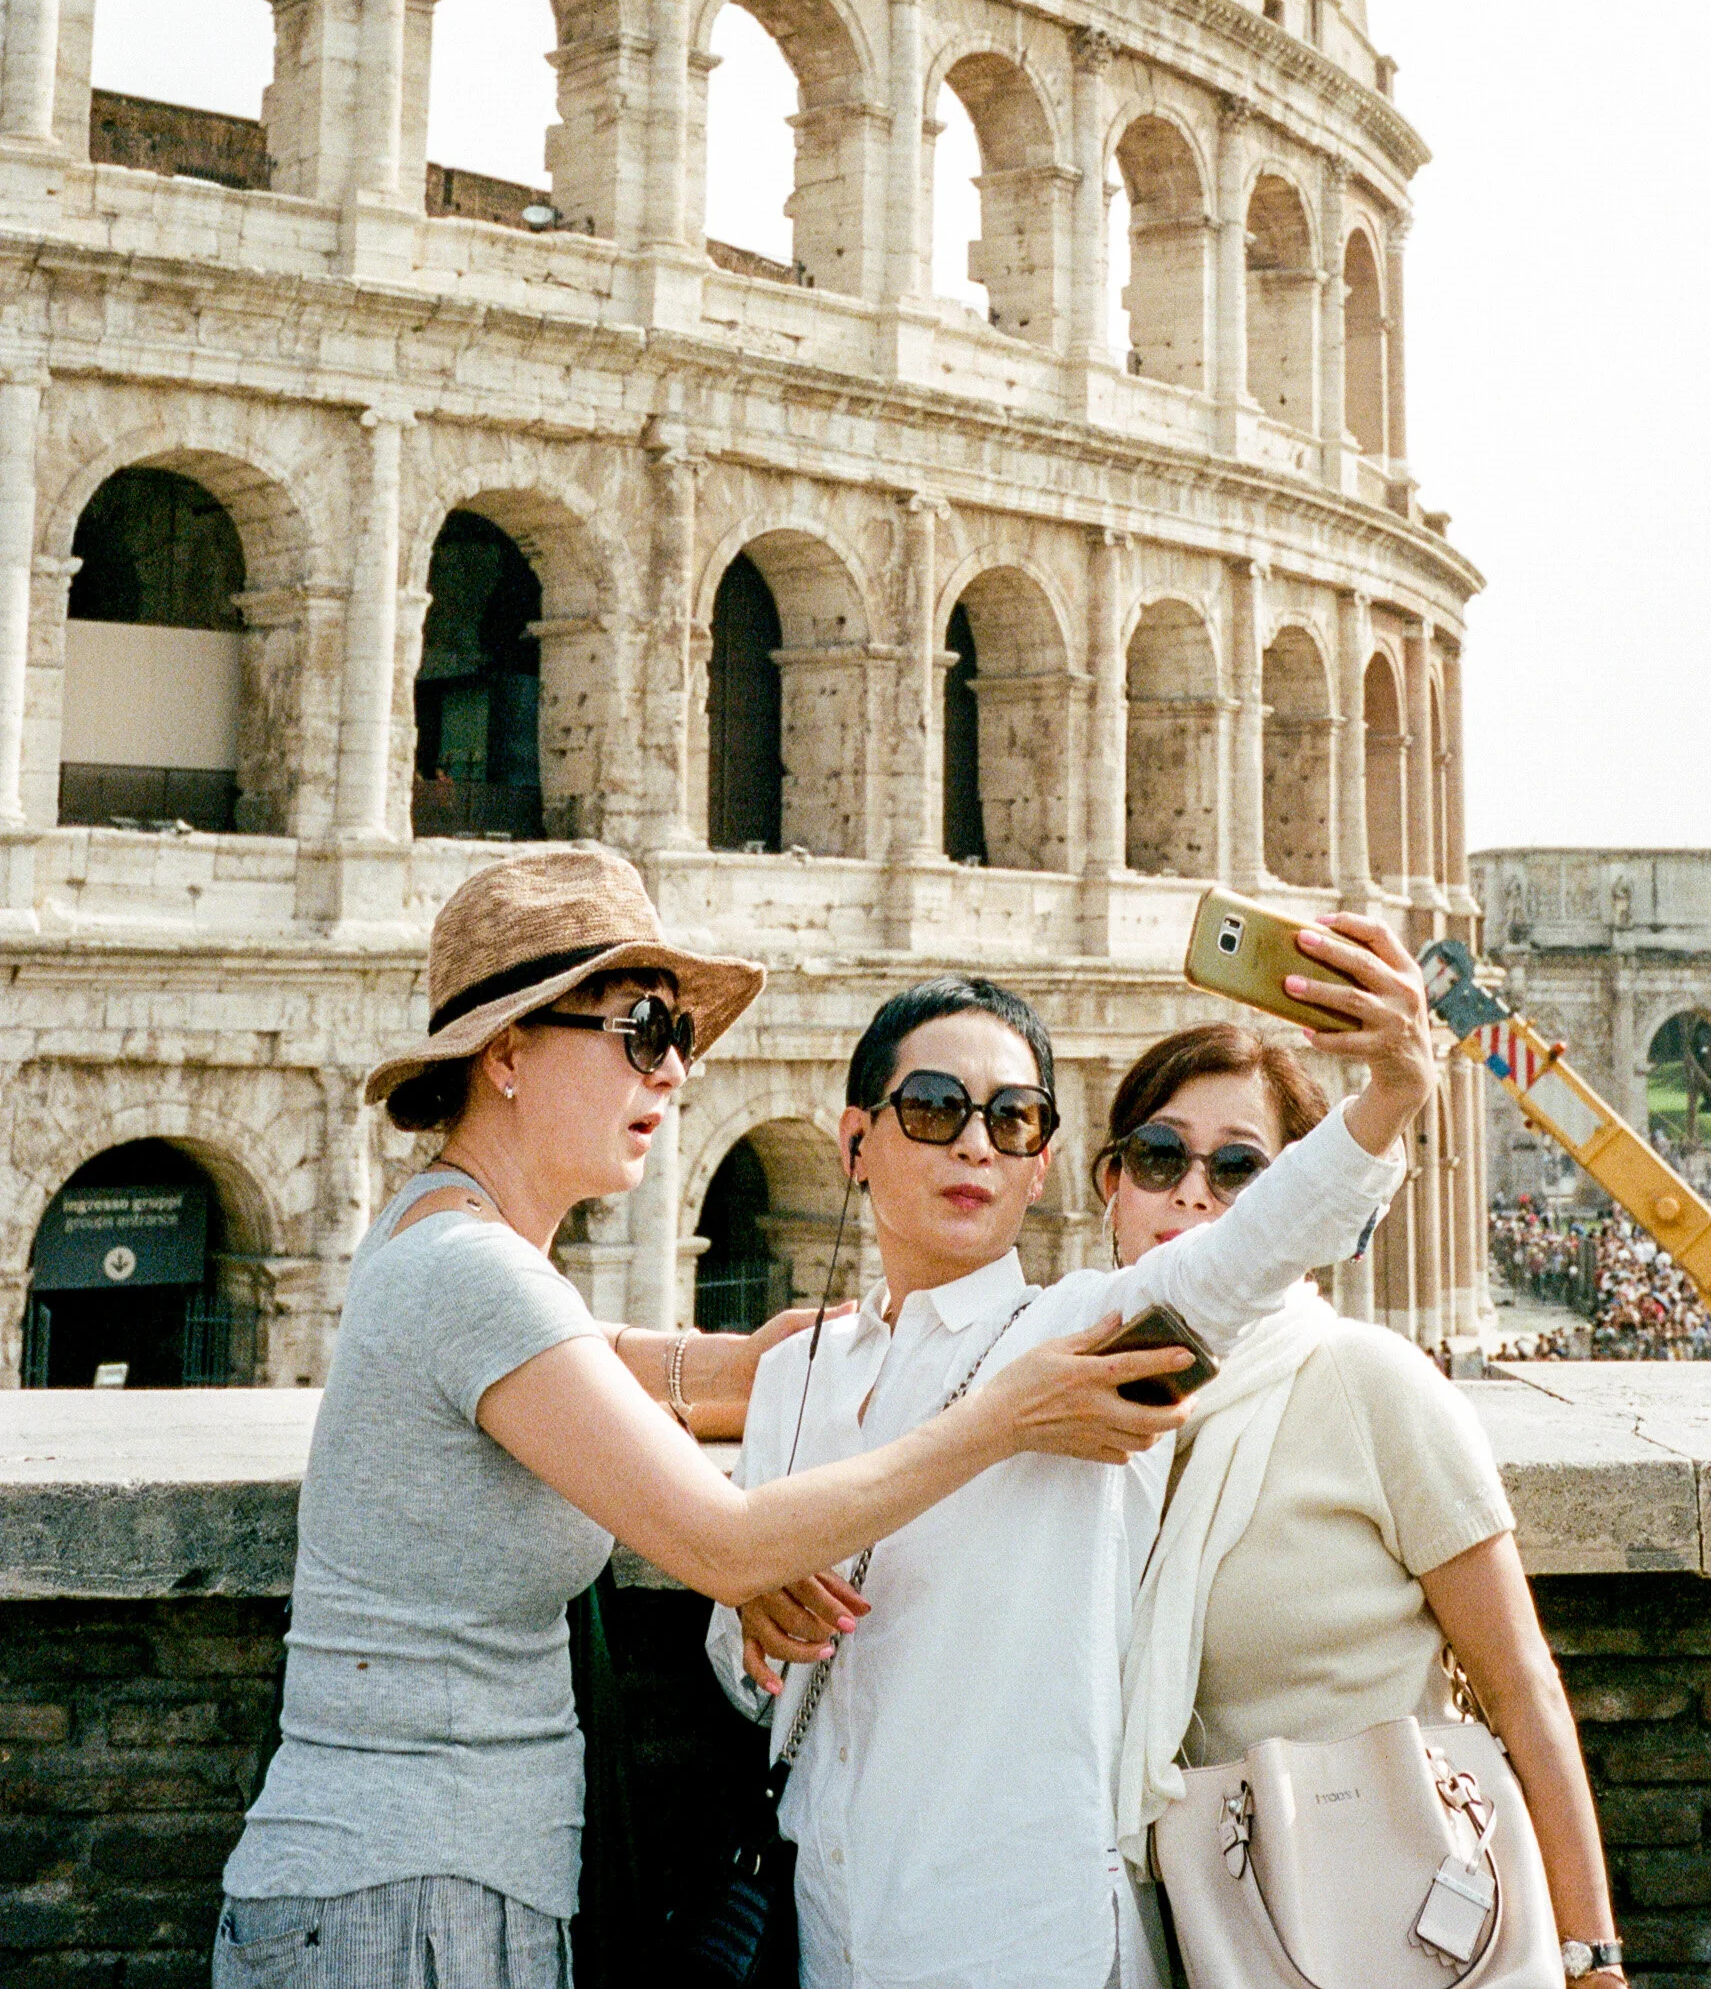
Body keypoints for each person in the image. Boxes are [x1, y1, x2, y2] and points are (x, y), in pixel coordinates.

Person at [212, 847, 1188, 1989]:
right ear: (508, 1051)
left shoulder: (445, 1231)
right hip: (408, 1895)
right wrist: (1002, 1414)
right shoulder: (474, 1274)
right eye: (641, 1031)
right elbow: (727, 1547)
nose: (673, 1071)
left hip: (408, 1877)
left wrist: (745, 1357)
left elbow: (591, 1359)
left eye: (678, 1037)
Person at [708, 914, 1434, 1989]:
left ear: (1041, 1168)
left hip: (1022, 1931)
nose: (972, 1143)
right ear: (855, 1141)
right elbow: (745, 1677)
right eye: (934, 1107)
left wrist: (1389, 1093)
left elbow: (1251, 1248)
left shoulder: (1092, 1331)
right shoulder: (791, 1374)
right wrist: (747, 1620)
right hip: (830, 1916)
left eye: (1012, 1120)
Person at [1107, 1017, 1628, 1987]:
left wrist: (1591, 1960)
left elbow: (1521, 1686)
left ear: (1299, 1204)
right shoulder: (1064, 1413)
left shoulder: (1366, 1381)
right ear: (1109, 1185)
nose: (1189, 1189)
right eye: (1157, 1155)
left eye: (1237, 1170)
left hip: (1390, 1920)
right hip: (1164, 1931)